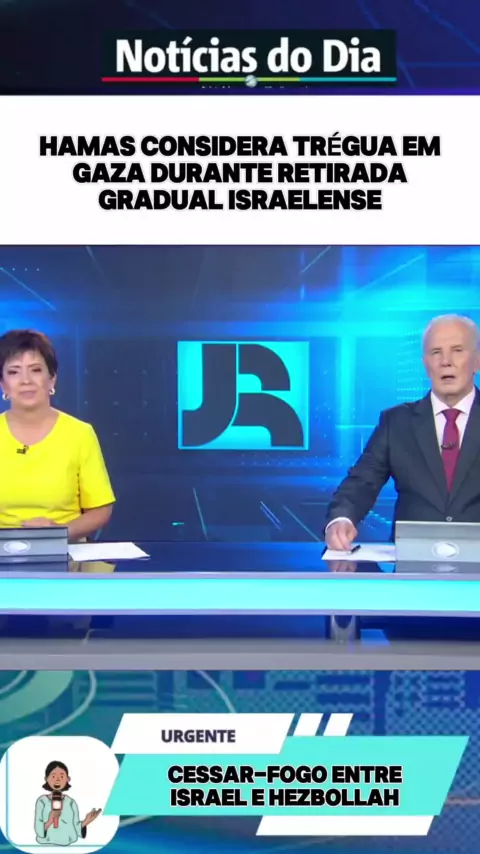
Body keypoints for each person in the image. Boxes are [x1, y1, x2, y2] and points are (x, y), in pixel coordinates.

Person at [325, 314, 480, 550]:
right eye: (436, 352)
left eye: (457, 350)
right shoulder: (396, 422)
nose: (446, 361)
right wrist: (342, 519)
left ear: (477, 360)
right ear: (425, 364)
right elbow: (362, 481)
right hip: (412, 564)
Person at [0, 329, 114, 541]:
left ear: (51, 379)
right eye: (14, 372)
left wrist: (59, 533)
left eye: (35, 370)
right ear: (2, 384)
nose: (26, 380)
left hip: (66, 550)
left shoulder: (80, 434)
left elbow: (101, 509)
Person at [34, 760, 101, 845]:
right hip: (46, 843)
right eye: (53, 776)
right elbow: (38, 826)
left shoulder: (70, 802)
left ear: (68, 779)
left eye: (61, 776)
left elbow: (76, 826)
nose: (57, 780)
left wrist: (86, 821)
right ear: (46, 778)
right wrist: (50, 820)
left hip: (67, 843)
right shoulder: (42, 801)